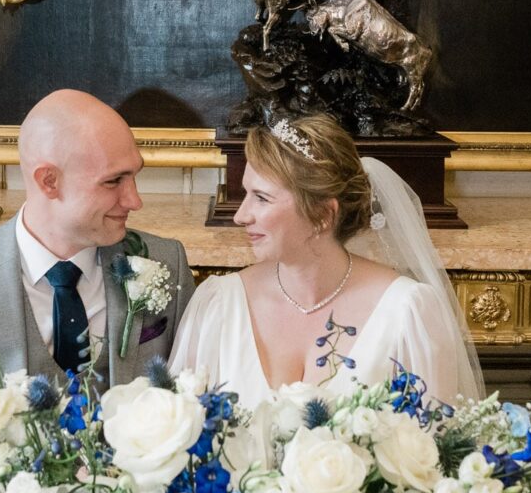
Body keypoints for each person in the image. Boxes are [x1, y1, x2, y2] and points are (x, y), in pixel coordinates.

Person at [0, 90, 196, 419]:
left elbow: (195, 400)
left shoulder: (165, 262)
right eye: (114, 181)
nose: (134, 200)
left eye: (134, 175)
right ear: (49, 181)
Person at [169, 114, 484, 412]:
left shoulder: (407, 313)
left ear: (323, 215)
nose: (241, 216)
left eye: (262, 198)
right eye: (245, 194)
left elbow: (433, 451)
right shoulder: (219, 305)